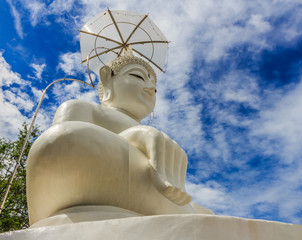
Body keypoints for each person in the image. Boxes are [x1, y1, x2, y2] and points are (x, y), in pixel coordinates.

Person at [26, 51, 212, 227]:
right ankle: (188, 216)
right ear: (107, 78)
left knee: (199, 210)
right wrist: (134, 136)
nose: (150, 88)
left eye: (155, 88)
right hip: (89, 178)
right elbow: (60, 151)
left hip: (147, 189)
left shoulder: (155, 133)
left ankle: (191, 215)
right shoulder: (83, 108)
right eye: (138, 76)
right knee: (64, 138)